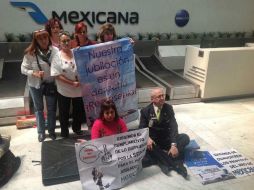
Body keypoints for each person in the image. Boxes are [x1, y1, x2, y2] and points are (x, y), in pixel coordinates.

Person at [139, 88, 190, 178]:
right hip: (154, 142)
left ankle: (161, 158)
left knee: (185, 138)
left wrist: (174, 145)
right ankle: (175, 165)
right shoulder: (145, 111)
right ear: (152, 99)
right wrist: (147, 138)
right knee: (146, 146)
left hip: (167, 140)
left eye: (163, 95)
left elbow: (174, 127)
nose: (162, 98)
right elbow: (142, 128)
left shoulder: (168, 108)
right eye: (159, 96)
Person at [21, 29, 58, 142]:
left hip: (50, 83)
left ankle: (51, 131)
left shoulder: (55, 50)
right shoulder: (30, 52)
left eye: (45, 37)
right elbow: (23, 69)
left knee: (51, 109)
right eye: (40, 38)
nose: (43, 40)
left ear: (48, 38)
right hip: (35, 85)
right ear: (36, 40)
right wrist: (33, 73)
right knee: (39, 109)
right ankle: (41, 132)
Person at [51, 31, 85, 138]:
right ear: (59, 43)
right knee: (63, 113)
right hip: (64, 90)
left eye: (68, 40)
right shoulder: (57, 56)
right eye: (63, 41)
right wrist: (71, 83)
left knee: (78, 111)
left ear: (71, 41)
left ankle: (77, 128)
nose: (66, 43)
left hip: (78, 90)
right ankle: (64, 132)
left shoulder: (77, 52)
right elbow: (56, 75)